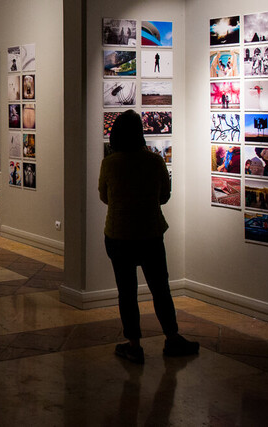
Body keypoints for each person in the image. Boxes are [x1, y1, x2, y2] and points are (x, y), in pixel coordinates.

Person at [99, 110, 199, 364]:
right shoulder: (154, 161)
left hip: (118, 234)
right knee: (160, 289)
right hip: (150, 234)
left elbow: (104, 196)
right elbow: (164, 196)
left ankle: (134, 345)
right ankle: (172, 337)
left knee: (127, 292)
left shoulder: (110, 163)